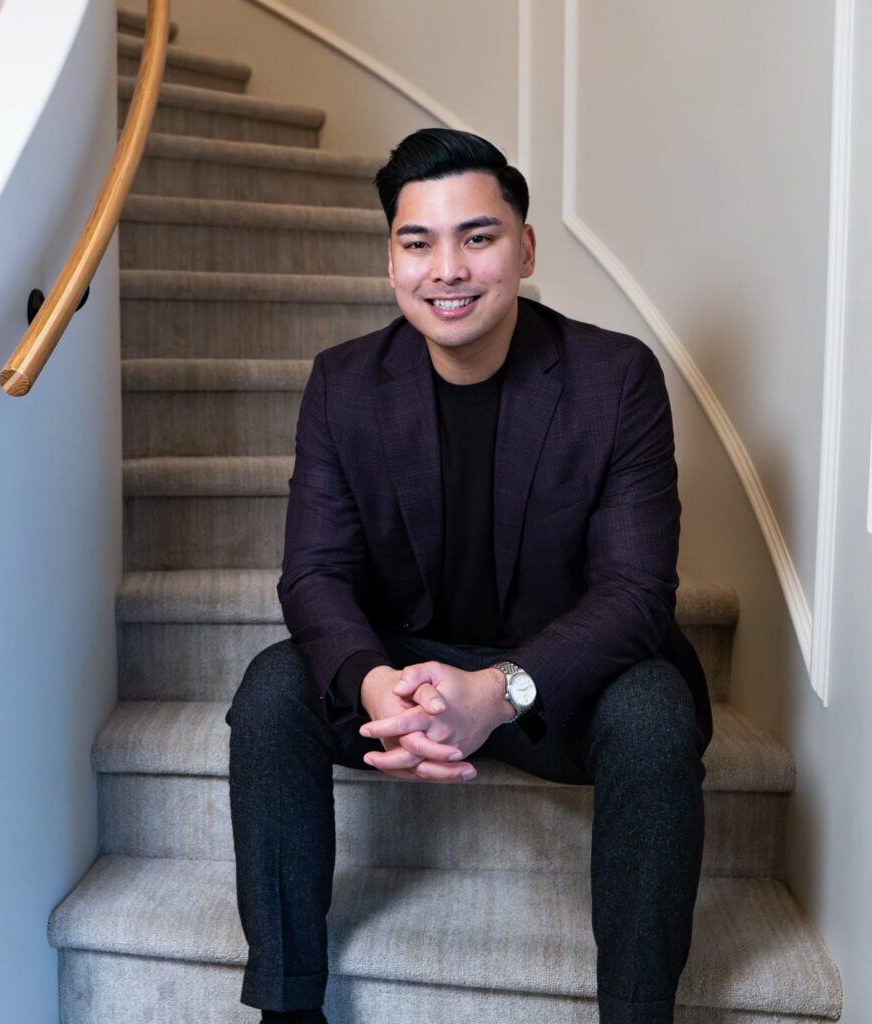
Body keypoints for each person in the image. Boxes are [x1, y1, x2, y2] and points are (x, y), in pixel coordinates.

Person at [225, 127, 713, 1024]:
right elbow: (315, 575)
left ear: (524, 250)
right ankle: (287, 1008)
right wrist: (376, 685)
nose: (447, 269)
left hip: (558, 686)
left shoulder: (615, 379)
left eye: (477, 237)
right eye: (418, 243)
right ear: (392, 262)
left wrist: (498, 690)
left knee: (654, 712)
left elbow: (636, 594)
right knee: (272, 690)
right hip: (408, 677)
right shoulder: (343, 384)